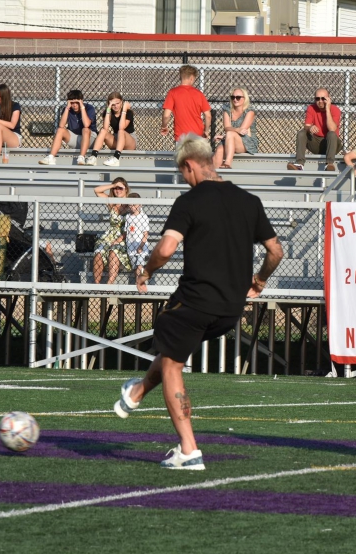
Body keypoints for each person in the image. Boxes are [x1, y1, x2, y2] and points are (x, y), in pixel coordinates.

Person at [116, 135, 283, 470]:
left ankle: (189, 450)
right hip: (230, 309)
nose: (184, 179)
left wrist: (146, 271)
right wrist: (260, 280)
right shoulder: (249, 201)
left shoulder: (188, 201)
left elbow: (165, 249)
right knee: (173, 350)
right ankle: (136, 393)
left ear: (189, 165)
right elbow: (276, 251)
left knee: (172, 359)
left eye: (182, 173)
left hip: (195, 301)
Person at [288, 88, 341, 172]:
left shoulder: (335, 109)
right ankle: (299, 164)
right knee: (302, 133)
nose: (320, 101)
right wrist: (310, 128)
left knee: (331, 134)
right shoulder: (311, 108)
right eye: (317, 99)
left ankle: (329, 164)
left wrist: (327, 109)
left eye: (323, 98)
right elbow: (307, 126)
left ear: (328, 99)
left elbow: (332, 129)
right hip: (317, 144)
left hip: (332, 144)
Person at [38, 90, 95, 165]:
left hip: (90, 138)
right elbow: (61, 125)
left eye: (77, 102)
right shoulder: (68, 109)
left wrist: (82, 107)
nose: (74, 105)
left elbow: (86, 124)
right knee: (60, 130)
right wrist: (67, 108)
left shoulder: (89, 108)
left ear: (81, 101)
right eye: (72, 103)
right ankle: (51, 157)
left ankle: (81, 157)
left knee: (85, 129)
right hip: (75, 138)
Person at [92, 178, 130, 284]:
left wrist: (119, 239)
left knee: (114, 252)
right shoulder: (111, 202)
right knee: (99, 252)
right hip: (109, 235)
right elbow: (97, 190)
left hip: (125, 235)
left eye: (120, 188)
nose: (117, 190)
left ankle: (109, 285)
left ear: (126, 189)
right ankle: (97, 285)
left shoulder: (131, 203)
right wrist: (113, 185)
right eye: (115, 188)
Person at [161, 65, 211, 143]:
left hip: (181, 136)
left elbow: (166, 115)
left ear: (180, 77)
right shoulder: (199, 94)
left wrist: (164, 126)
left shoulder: (173, 92)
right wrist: (206, 131)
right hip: (197, 135)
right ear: (191, 78)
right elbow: (208, 116)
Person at [213, 87, 258, 170]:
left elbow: (242, 131)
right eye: (233, 97)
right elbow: (227, 128)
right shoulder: (227, 110)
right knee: (219, 150)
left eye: (238, 97)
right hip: (229, 138)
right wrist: (236, 130)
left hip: (246, 142)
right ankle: (214, 176)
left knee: (230, 133)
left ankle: (227, 163)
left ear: (244, 98)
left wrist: (224, 136)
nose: (235, 100)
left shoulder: (250, 111)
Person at [88, 92, 136, 167]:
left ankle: (116, 158)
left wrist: (124, 110)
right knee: (103, 130)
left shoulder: (128, 112)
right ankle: (93, 156)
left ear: (121, 102)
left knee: (121, 131)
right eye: (113, 104)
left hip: (129, 141)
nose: (116, 106)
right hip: (117, 140)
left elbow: (122, 127)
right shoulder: (108, 112)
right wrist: (109, 108)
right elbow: (105, 127)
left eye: (117, 103)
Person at [123, 192, 150, 278]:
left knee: (140, 266)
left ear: (140, 204)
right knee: (135, 267)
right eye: (130, 205)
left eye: (134, 205)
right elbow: (126, 231)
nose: (132, 207)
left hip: (141, 246)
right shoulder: (128, 217)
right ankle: (139, 281)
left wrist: (141, 246)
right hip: (131, 246)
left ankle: (140, 282)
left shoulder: (143, 217)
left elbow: (145, 233)